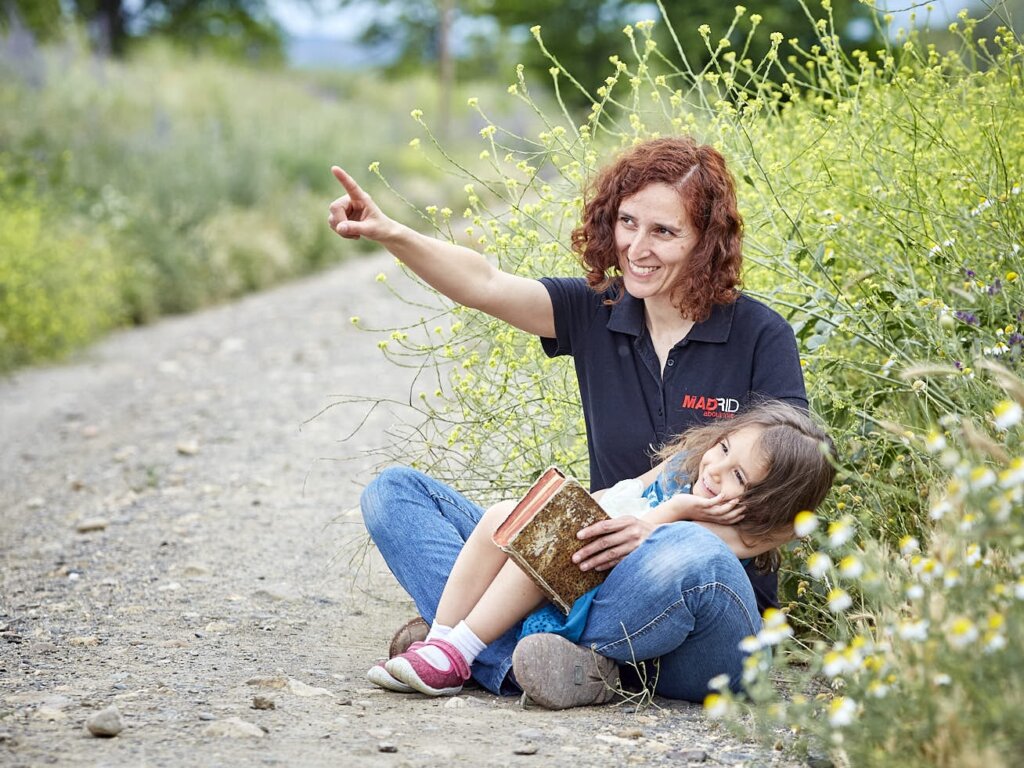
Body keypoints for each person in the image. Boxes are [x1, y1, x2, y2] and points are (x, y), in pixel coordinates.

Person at [330, 136, 808, 705]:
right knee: (396, 494)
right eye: (628, 222)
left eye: (665, 231)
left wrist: (656, 531)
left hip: (701, 610)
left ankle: (486, 649)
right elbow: (484, 284)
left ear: (706, 242)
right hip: (585, 576)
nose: (638, 247)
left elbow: (792, 513)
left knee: (691, 555)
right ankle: (542, 663)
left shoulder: (760, 336)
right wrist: (392, 233)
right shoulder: (596, 310)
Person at [365, 402, 835, 705]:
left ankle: (476, 647)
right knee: (395, 491)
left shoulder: (744, 532)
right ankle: (462, 649)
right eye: (724, 448)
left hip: (644, 631)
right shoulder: (684, 470)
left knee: (687, 547)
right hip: (567, 589)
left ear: (769, 510)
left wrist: (659, 520)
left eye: (739, 477)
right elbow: (607, 504)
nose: (715, 470)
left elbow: (694, 551)